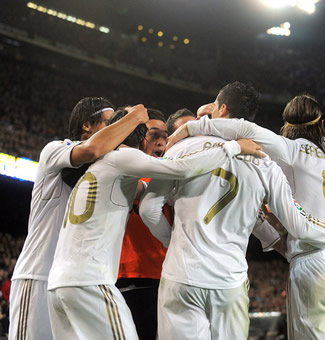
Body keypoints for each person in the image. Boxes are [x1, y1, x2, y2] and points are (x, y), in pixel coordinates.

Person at [168, 91, 325, 339]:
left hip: (313, 262)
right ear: (322, 124)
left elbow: (244, 128)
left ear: (288, 127)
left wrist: (194, 128)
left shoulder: (291, 150)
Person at [46, 108, 262, 340]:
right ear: (139, 137)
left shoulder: (104, 167)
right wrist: (234, 148)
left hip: (59, 284)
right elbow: (182, 169)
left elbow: (143, 190)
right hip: (90, 282)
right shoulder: (125, 156)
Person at [8, 98, 148, 340]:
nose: (118, 127)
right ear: (87, 126)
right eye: (110, 122)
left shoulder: (106, 168)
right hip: (38, 277)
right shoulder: (56, 150)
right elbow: (91, 150)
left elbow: (141, 188)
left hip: (73, 285)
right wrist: (133, 118)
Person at [116, 108, 170, 340]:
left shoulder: (169, 177)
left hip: (166, 277)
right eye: (154, 135)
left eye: (165, 137)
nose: (161, 142)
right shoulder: (122, 171)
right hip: (128, 275)